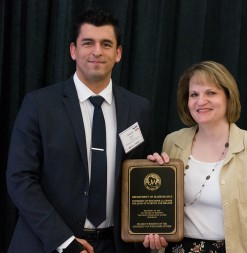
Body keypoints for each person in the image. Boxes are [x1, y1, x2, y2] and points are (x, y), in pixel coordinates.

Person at [6, 7, 153, 253]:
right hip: (49, 244)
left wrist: (157, 170)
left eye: (106, 44)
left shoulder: (139, 109)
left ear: (118, 54)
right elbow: (20, 180)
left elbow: (138, 176)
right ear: (73, 50)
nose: (97, 51)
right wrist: (65, 242)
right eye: (88, 43)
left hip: (115, 246)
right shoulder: (39, 105)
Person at [143, 61, 247, 253]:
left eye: (210, 93)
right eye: (194, 94)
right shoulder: (173, 142)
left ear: (228, 97)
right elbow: (163, 209)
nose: (201, 101)